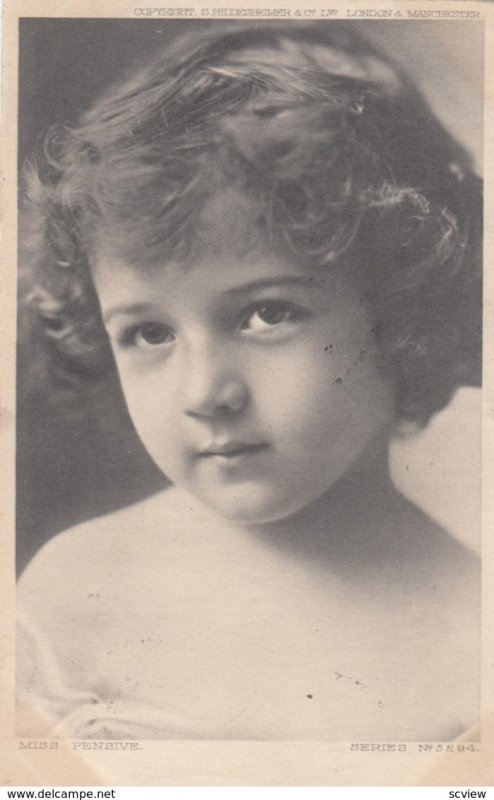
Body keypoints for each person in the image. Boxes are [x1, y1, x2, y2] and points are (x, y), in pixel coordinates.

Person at [16, 21, 482, 741]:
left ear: (398, 310)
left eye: (268, 314)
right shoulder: (77, 591)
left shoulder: (470, 620)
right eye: (149, 332)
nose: (205, 392)